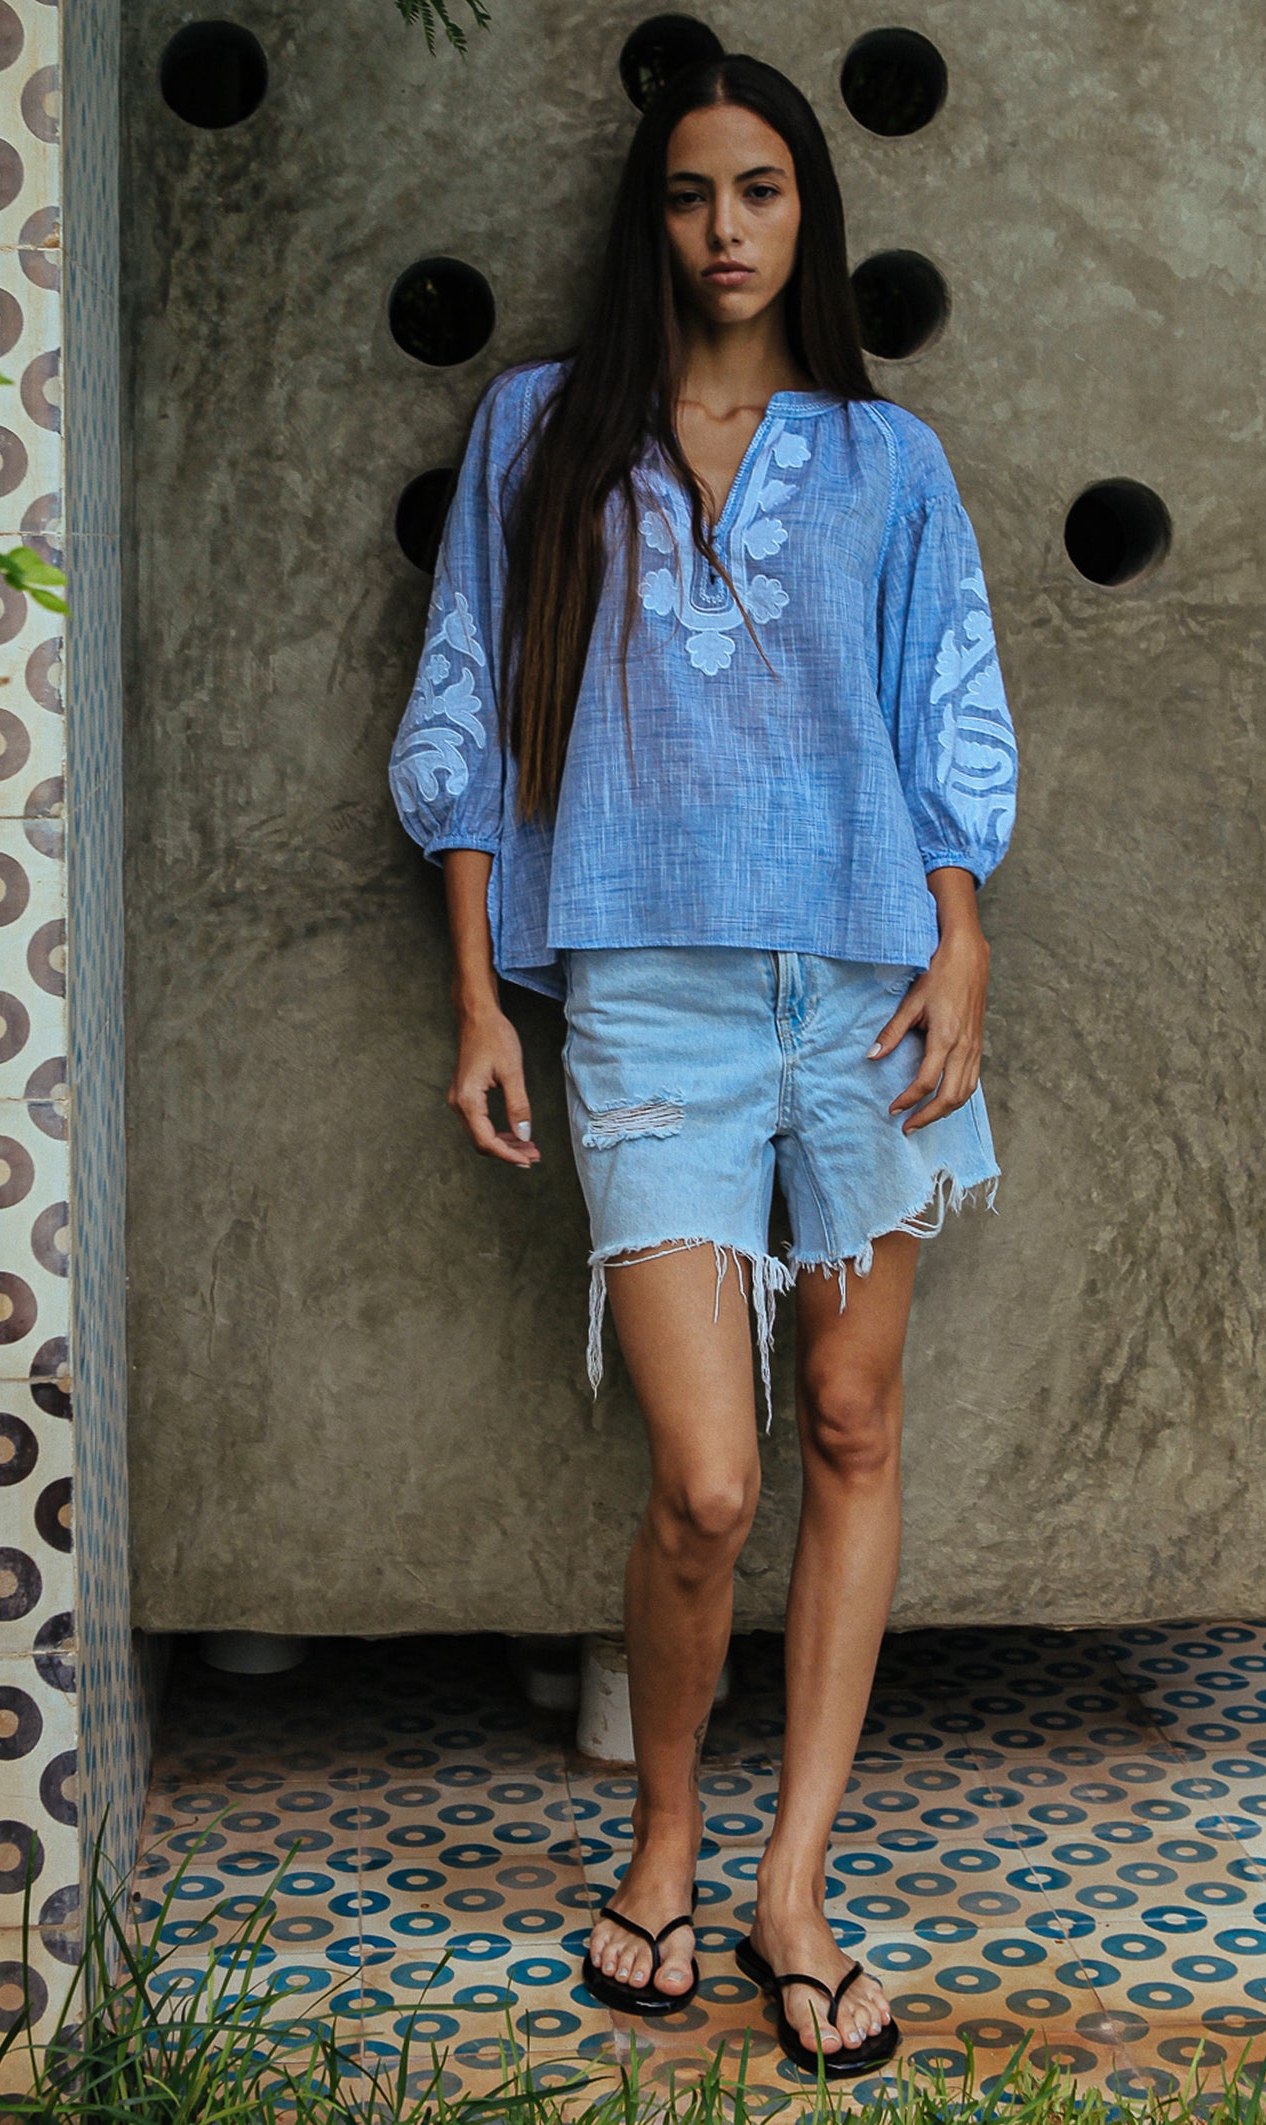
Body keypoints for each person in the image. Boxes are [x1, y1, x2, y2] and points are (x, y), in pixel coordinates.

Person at [388, 51, 1017, 2078]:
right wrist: (482, 995)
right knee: (708, 1475)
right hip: (645, 999)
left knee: (847, 1419)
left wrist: (963, 945)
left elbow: (947, 719)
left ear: (803, 214)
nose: (726, 225)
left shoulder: (886, 460)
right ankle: (660, 1835)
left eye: (759, 189)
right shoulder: (538, 438)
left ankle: (788, 1886)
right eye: (689, 193)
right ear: (646, 216)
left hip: (861, 989)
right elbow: (466, 711)